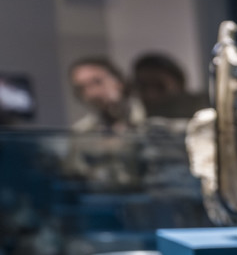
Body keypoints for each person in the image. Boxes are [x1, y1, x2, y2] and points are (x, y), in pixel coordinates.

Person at [66, 56, 144, 187]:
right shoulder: (80, 132)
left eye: (97, 82)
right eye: (82, 88)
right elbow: (74, 174)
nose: (92, 93)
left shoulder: (149, 118)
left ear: (119, 81)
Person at [131, 52, 207, 119]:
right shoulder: (135, 115)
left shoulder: (204, 107)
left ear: (178, 82)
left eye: (159, 86)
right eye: (143, 86)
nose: (151, 94)